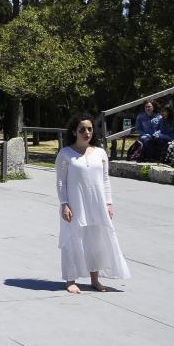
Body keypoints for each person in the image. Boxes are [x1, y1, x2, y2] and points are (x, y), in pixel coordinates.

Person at [56, 113, 130, 293]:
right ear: (74, 132)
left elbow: (105, 180)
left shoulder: (100, 153)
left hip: (97, 204)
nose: (87, 132)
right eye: (82, 129)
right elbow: (61, 182)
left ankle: (95, 280)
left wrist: (109, 203)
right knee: (73, 239)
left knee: (95, 241)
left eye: (90, 129)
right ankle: (70, 280)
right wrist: (64, 203)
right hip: (75, 205)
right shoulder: (66, 154)